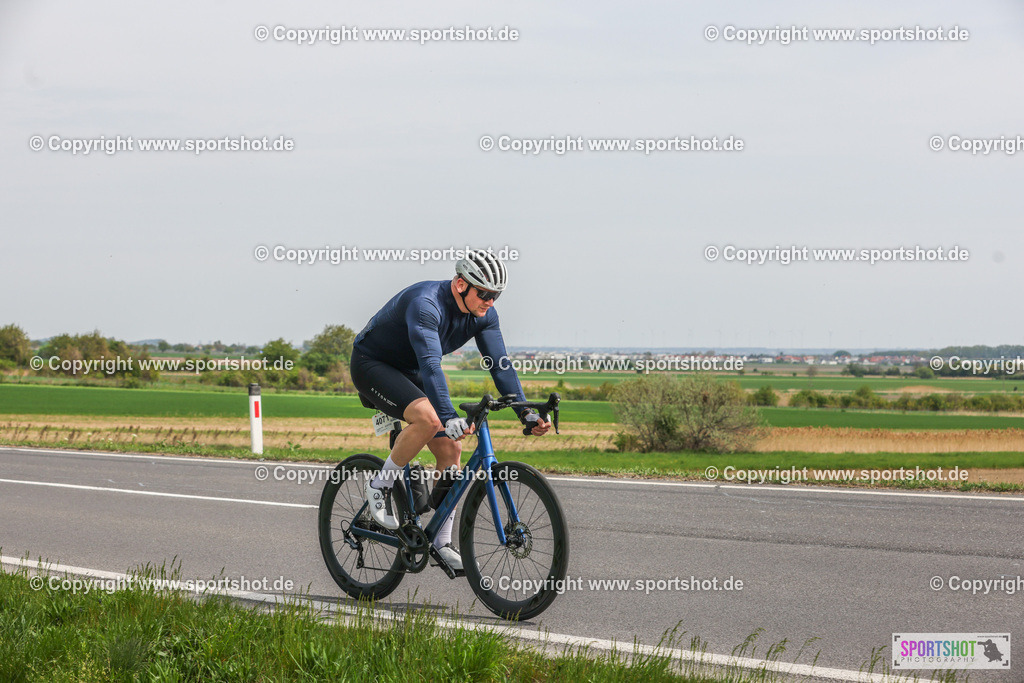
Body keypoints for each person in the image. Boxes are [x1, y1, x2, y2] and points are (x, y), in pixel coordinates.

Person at [350, 249, 551, 572]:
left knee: (451, 448)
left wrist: (526, 413)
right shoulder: (426, 303)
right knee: (429, 420)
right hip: (373, 364)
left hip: (411, 369)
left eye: (496, 295)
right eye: (484, 293)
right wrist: (447, 416)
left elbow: (500, 367)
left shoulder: (485, 314)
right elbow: (431, 367)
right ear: (460, 284)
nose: (490, 301)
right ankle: (379, 486)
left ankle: (441, 541)